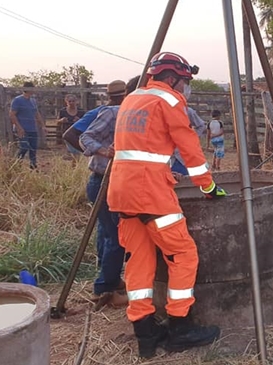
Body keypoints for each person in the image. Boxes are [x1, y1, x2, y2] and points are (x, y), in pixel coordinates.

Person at [107, 51, 227, 358]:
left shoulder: (132, 99)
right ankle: (180, 328)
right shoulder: (170, 101)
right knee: (183, 255)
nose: (185, 88)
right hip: (151, 194)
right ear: (173, 78)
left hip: (122, 192)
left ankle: (145, 333)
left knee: (139, 261)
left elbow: (141, 147)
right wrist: (209, 187)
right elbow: (191, 152)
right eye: (184, 81)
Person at [79, 78, 140, 307]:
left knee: (108, 233)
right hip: (103, 181)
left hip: (117, 182)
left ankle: (110, 281)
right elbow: (85, 137)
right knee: (116, 236)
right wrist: (106, 151)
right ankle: (105, 288)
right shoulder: (114, 113)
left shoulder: (136, 114)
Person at [10, 81, 46, 169]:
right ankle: (16, 164)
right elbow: (12, 114)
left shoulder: (33, 101)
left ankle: (33, 166)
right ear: (27, 89)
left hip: (32, 129)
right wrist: (19, 128)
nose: (33, 90)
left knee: (33, 148)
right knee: (24, 147)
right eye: (32, 88)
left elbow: (36, 114)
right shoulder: (17, 100)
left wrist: (42, 126)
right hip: (22, 128)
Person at [170, 107, 207, 176]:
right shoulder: (163, 109)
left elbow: (201, 125)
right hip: (169, 156)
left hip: (185, 156)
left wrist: (192, 138)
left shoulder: (187, 111)